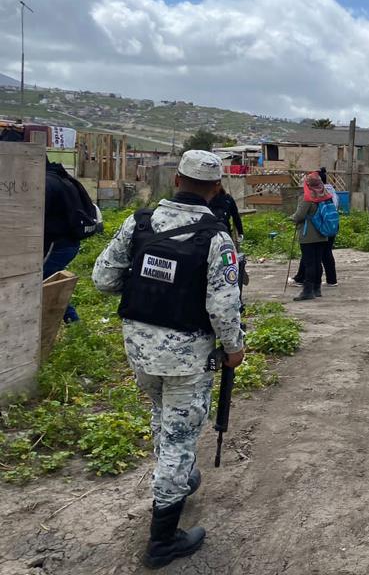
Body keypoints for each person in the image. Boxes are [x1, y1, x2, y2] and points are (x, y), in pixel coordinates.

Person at [92, 150, 245, 568]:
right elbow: (223, 307)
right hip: (187, 358)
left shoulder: (139, 222)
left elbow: (102, 279)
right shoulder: (216, 238)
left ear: (176, 180)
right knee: (179, 438)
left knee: (163, 417)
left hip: (139, 349)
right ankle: (163, 541)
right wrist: (234, 348)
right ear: (215, 189)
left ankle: (178, 479)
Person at [44, 159, 99, 323]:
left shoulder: (47, 183)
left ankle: (73, 321)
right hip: (69, 242)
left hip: (57, 244)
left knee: (42, 281)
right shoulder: (64, 179)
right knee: (48, 281)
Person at [293, 168, 339, 287]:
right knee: (322, 256)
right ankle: (326, 282)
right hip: (330, 227)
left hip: (312, 232)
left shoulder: (309, 196)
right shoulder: (327, 194)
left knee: (310, 261)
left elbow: (300, 215)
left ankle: (307, 285)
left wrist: (293, 218)